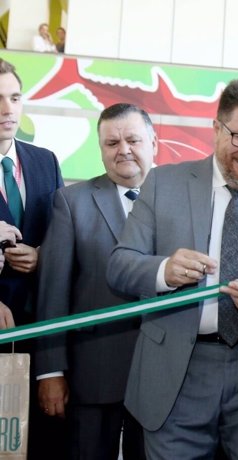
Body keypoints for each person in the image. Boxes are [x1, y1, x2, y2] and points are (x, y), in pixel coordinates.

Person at [106, 78, 238, 459]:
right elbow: (121, 266)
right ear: (216, 129)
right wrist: (164, 271)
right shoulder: (164, 183)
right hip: (177, 373)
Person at [35, 103, 156, 460]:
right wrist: (50, 371)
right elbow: (52, 292)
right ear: (101, 149)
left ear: (153, 141)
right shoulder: (72, 202)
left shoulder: (180, 200)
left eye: (133, 140)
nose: (123, 150)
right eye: (111, 143)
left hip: (162, 380)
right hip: (93, 377)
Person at [0, 57, 66, 459]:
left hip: (39, 331)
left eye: (14, 97)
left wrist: (44, 256)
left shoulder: (45, 160)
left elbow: (63, 237)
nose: (7, 110)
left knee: (36, 442)